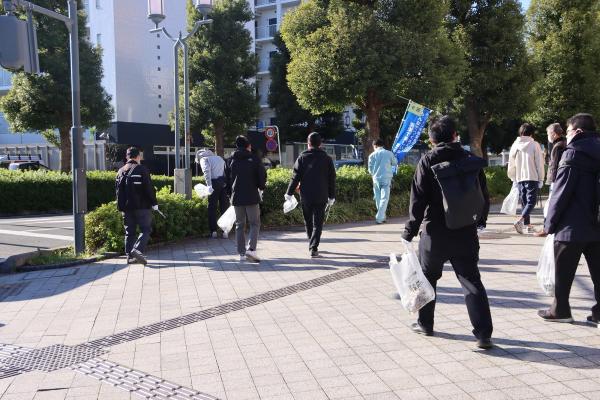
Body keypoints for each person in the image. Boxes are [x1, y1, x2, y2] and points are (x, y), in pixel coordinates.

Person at [402, 116, 493, 349]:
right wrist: (479, 221)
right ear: (455, 136)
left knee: (428, 279)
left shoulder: (427, 161)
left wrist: (409, 231)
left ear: (432, 140)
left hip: (435, 233)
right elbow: (482, 194)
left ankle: (426, 324)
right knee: (471, 280)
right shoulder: (470, 160)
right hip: (465, 231)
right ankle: (483, 334)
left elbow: (417, 200)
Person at [539, 113, 600, 324]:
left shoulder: (573, 154)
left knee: (563, 273)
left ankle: (561, 310)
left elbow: (561, 193)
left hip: (571, 227)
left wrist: (549, 224)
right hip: (597, 225)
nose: (567, 134)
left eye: (568, 130)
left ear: (578, 131)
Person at [285, 132, 336, 258]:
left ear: (308, 143)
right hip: (321, 195)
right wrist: (332, 196)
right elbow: (332, 179)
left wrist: (289, 193)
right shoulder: (327, 159)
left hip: (306, 195)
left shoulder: (302, 157)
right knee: (318, 223)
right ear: (321, 144)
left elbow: (295, 177)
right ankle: (313, 247)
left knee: (308, 221)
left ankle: (311, 242)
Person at [226, 135, 267, 263]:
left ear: (236, 146)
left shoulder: (230, 160)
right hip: (251, 195)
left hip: (237, 196)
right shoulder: (254, 158)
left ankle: (242, 253)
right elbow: (262, 175)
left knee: (239, 225)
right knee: (255, 223)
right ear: (248, 146)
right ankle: (251, 249)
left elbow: (227, 179)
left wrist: (229, 194)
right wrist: (261, 187)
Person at [115, 147, 158, 265]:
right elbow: (149, 188)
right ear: (138, 156)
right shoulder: (141, 169)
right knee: (146, 229)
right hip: (142, 206)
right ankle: (137, 250)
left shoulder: (120, 171)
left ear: (127, 157)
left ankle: (130, 257)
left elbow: (117, 191)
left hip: (125, 208)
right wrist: (154, 203)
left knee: (129, 232)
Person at [507, 123, 545, 234]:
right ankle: (520, 221)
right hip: (532, 177)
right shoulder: (534, 144)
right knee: (531, 202)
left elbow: (511, 163)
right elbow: (539, 163)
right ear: (532, 133)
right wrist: (541, 178)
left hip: (519, 178)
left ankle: (527, 225)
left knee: (524, 202)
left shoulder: (515, 145)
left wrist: (513, 177)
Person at [534, 123, 567, 237]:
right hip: (558, 180)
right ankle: (548, 227)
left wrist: (551, 180)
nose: (548, 135)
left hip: (556, 180)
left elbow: (555, 165)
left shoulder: (558, 146)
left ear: (553, 134)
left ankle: (547, 228)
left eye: (548, 133)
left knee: (551, 206)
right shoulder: (563, 143)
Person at [195, 148, 229, 238]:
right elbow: (225, 171)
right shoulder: (219, 158)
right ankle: (225, 231)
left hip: (213, 184)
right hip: (223, 183)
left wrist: (209, 185)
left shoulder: (204, 159)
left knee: (212, 208)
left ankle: (213, 231)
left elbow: (207, 172)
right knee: (224, 207)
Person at [368, 138, 398, 224]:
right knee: (384, 198)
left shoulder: (371, 155)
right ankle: (380, 217)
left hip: (375, 179)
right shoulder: (389, 153)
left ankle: (382, 217)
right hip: (386, 178)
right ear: (382, 145)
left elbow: (370, 170)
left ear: (375, 145)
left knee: (378, 198)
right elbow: (395, 163)